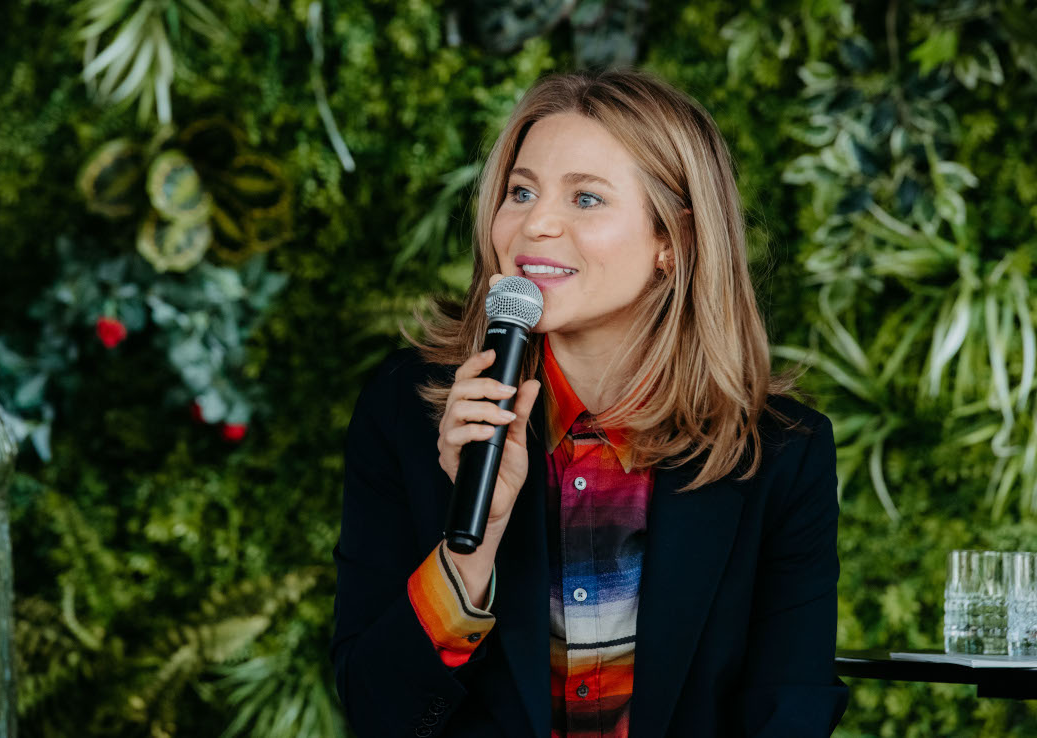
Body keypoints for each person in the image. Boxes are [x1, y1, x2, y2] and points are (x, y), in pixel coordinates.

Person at [330, 69, 848, 737]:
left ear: (674, 242)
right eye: (521, 191)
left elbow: (790, 709)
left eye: (586, 198)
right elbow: (379, 715)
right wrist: (474, 547)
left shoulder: (781, 453)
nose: (535, 224)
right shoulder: (408, 412)